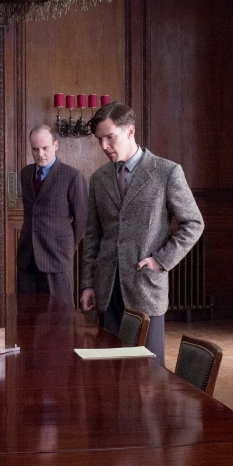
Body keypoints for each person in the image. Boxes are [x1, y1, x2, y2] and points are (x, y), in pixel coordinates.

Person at [79, 102, 203, 364]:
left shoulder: (167, 172)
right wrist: (88, 283)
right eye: (99, 139)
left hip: (145, 286)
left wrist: (160, 261)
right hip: (107, 290)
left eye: (110, 137)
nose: (104, 146)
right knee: (109, 370)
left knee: (149, 374)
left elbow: (194, 223)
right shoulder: (99, 178)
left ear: (130, 130)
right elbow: (92, 236)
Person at [16, 124, 87, 306]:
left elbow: (82, 221)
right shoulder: (25, 173)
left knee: (60, 315)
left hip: (57, 257)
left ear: (55, 145)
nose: (40, 154)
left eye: (45, 148)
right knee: (26, 313)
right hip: (27, 257)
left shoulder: (72, 176)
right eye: (35, 149)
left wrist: (66, 247)